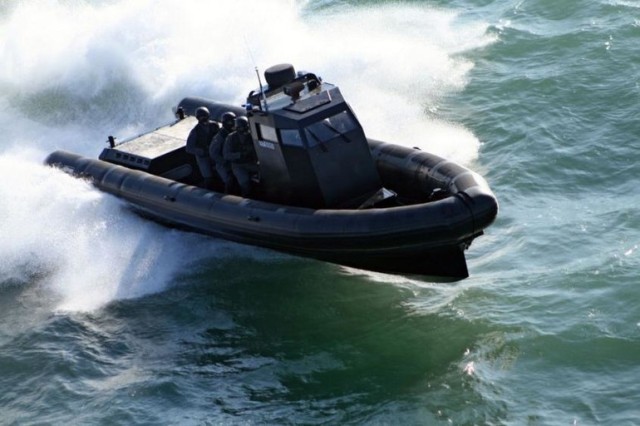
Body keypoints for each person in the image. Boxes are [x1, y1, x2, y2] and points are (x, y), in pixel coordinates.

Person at [223, 116, 258, 197]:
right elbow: (226, 155)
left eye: (246, 127)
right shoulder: (231, 138)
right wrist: (239, 155)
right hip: (238, 165)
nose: (245, 129)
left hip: (250, 163)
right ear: (238, 128)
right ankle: (246, 197)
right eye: (242, 127)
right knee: (245, 182)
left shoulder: (251, 136)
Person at [186, 106, 219, 189]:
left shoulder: (214, 125)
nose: (203, 118)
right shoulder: (195, 131)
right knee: (208, 177)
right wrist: (202, 151)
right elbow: (189, 148)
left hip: (215, 153)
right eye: (201, 117)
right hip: (203, 156)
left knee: (221, 171)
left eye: (205, 116)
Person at [209, 111, 236, 194]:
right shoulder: (220, 137)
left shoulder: (234, 133)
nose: (232, 124)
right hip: (223, 163)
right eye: (230, 122)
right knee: (229, 180)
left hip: (234, 160)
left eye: (233, 122)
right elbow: (213, 153)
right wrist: (224, 161)